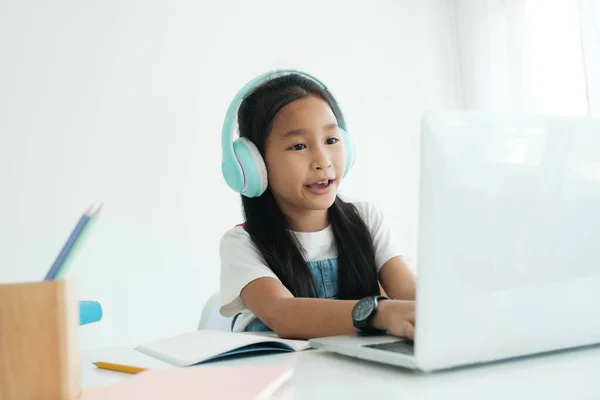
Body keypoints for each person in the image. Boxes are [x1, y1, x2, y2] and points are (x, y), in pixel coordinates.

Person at [218, 70, 416, 341]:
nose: (323, 160)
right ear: (254, 166)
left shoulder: (367, 220)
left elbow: (411, 292)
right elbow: (284, 314)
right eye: (299, 146)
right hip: (282, 377)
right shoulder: (242, 243)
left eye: (331, 140)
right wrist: (380, 312)